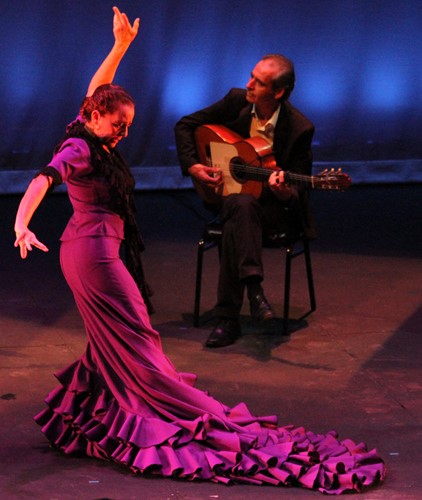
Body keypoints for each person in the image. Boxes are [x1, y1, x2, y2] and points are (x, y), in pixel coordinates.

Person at [14, 7, 385, 494]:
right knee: (140, 335)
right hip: (93, 255)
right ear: (94, 117)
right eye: (117, 125)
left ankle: (103, 416)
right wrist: (21, 222)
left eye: (128, 126)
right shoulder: (79, 148)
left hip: (100, 249)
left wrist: (121, 48)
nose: (123, 134)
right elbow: (44, 178)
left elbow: (96, 90)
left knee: (118, 338)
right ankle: (160, 415)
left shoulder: (90, 131)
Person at [174, 54, 316, 348]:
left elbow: (300, 188)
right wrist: (193, 167)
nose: (248, 84)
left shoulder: (300, 128)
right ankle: (254, 290)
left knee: (238, 217)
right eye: (250, 76)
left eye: (258, 82)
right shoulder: (237, 101)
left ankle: (228, 319)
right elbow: (185, 126)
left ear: (278, 92)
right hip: (230, 198)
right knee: (240, 205)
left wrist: (283, 190)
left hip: (275, 211)